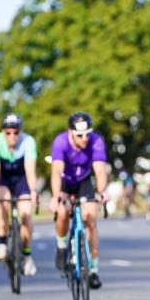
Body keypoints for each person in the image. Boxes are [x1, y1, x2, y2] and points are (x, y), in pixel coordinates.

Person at [49, 111, 110, 289]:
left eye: (87, 134)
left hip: (84, 181)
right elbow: (56, 171)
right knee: (62, 212)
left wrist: (102, 191)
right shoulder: (60, 142)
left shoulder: (96, 141)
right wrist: (55, 196)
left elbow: (100, 170)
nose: (84, 139)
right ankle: (61, 247)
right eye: (79, 135)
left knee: (90, 218)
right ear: (70, 133)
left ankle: (93, 270)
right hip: (65, 182)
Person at [0, 113, 38, 276]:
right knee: (2, 201)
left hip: (21, 179)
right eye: (8, 132)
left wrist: (34, 191)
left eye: (16, 132)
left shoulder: (28, 142)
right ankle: (2, 242)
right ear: (3, 132)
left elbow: (30, 170)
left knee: (26, 214)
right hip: (3, 178)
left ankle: (27, 254)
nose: (12, 136)